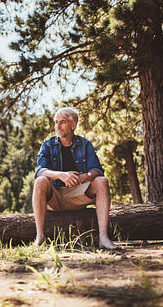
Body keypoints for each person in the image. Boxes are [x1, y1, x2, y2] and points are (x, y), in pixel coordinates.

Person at [32, 107, 119, 250]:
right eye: (56, 122)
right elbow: (40, 171)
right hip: (55, 197)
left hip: (78, 195)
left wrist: (85, 176)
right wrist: (61, 174)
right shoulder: (47, 145)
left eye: (62, 122)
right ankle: (39, 237)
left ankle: (103, 237)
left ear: (73, 125)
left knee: (102, 181)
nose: (57, 126)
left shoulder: (85, 144)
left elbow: (97, 170)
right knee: (40, 181)